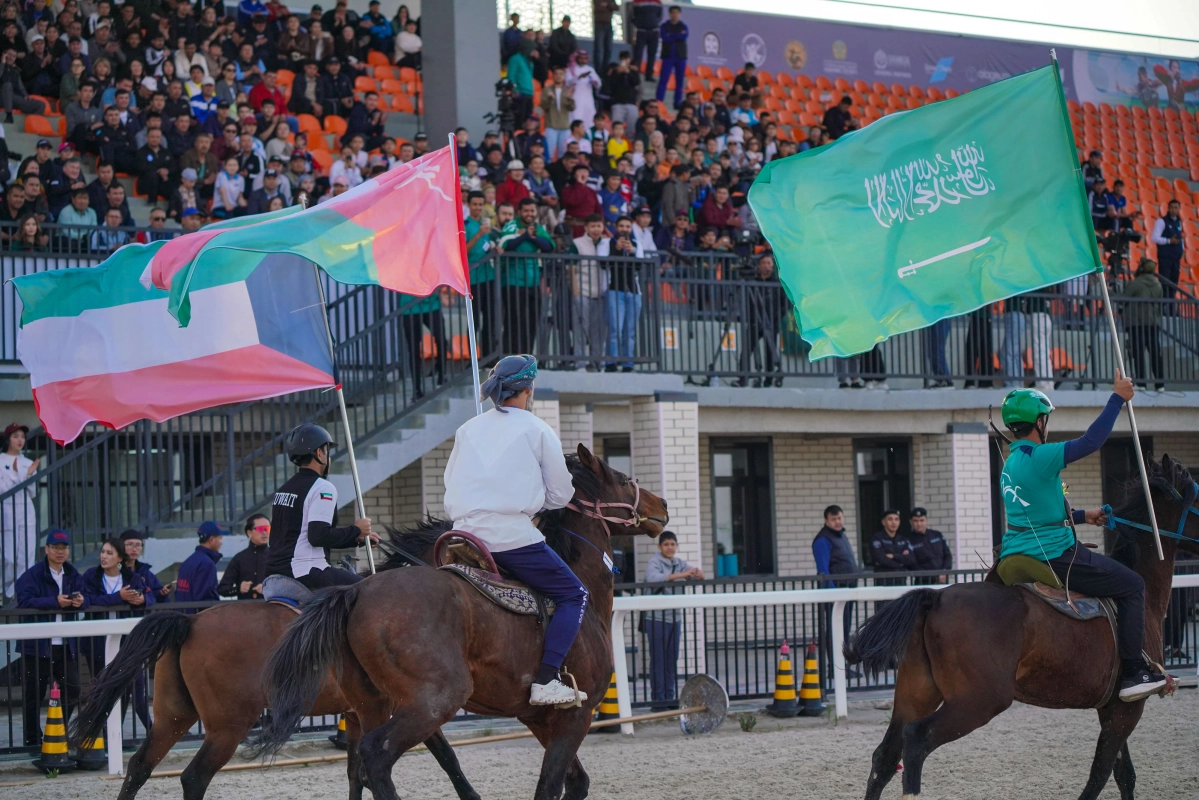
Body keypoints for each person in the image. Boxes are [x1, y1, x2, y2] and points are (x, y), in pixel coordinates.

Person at [997, 377, 1167, 701]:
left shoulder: (1011, 463)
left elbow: (1036, 517)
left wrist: (1080, 516)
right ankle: (1133, 672)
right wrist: (1117, 399)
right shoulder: (1040, 455)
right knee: (1133, 585)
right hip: (1055, 554)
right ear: (1039, 421)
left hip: (1015, 553)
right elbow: (1091, 442)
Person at [442, 355, 585, 706]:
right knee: (574, 595)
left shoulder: (467, 429)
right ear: (528, 388)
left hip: (461, 535)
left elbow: (449, 484)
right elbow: (561, 494)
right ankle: (547, 680)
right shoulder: (536, 428)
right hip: (509, 538)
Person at [265, 423, 377, 590]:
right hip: (306, 571)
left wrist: (355, 539)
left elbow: (302, 538)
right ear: (319, 452)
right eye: (327, 451)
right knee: (372, 588)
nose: (328, 457)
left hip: (274, 575)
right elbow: (317, 536)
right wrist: (356, 529)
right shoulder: (323, 487)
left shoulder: (284, 489)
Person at [16, 529, 87, 746]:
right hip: (36, 645)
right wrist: (55, 601)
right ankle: (32, 739)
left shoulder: (73, 574)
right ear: (46, 549)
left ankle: (57, 732)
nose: (60, 552)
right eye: (55, 547)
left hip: (65, 644)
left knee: (73, 687)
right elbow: (25, 601)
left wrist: (80, 602)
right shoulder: (33, 575)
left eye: (63, 548)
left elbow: (87, 598)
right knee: (34, 695)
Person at [643, 530, 702, 710]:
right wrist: (682, 575)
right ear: (660, 546)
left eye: (673, 544)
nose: (670, 548)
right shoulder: (654, 562)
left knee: (671, 659)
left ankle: (670, 697)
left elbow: (699, 575)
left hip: (674, 618)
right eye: (666, 544)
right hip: (656, 618)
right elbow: (653, 579)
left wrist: (697, 572)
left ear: (676, 546)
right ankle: (658, 700)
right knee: (658, 660)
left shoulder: (678, 563)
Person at [812, 505, 859, 681]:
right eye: (834, 519)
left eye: (839, 518)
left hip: (846, 591)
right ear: (826, 521)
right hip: (836, 594)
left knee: (844, 630)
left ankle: (843, 667)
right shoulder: (823, 540)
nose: (838, 522)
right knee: (835, 631)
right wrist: (831, 592)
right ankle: (835, 668)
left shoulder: (840, 536)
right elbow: (823, 570)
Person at [1, 422, 38, 599]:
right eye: (15, 436)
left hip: (26, 513)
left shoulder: (28, 462)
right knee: (8, 557)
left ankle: (21, 593)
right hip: (7, 513)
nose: (20, 440)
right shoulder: (0, 460)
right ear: (8, 439)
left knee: (26, 556)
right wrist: (20, 477)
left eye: (22, 436)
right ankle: (4, 591)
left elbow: (33, 492)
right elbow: (3, 489)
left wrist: (29, 475)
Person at [1120, 258, 1166, 391]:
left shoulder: (1136, 283)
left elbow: (1123, 298)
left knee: (1138, 353)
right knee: (1155, 353)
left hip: (1136, 324)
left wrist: (1109, 292)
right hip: (1153, 323)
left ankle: (1141, 383)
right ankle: (1160, 384)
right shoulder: (1158, 285)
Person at [218, 514, 270, 599]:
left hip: (270, 609)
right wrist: (238, 589)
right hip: (246, 610)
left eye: (267, 529)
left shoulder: (275, 556)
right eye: (260, 529)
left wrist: (269, 589)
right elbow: (222, 589)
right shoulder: (239, 558)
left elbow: (287, 586)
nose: (264, 532)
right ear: (249, 533)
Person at [175, 521, 225, 603]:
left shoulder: (187, 562)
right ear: (211, 540)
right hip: (198, 615)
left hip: (184, 614)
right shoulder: (207, 564)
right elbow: (207, 600)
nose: (221, 542)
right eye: (220, 538)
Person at [869, 509, 914, 597]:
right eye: (890, 519)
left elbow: (911, 559)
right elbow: (881, 559)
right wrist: (901, 562)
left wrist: (893, 556)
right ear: (884, 522)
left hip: (900, 582)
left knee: (900, 609)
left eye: (896, 519)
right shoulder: (877, 538)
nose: (894, 522)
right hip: (883, 582)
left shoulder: (903, 539)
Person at [119, 529, 173, 601]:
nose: (134, 549)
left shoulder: (144, 571)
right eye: (130, 544)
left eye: (138, 545)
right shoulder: (114, 569)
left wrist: (161, 593)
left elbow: (154, 593)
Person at [906, 508, 952, 584]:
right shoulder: (908, 540)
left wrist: (944, 572)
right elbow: (912, 564)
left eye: (921, 520)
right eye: (916, 521)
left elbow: (947, 555)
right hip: (923, 582)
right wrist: (934, 577)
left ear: (927, 520)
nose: (919, 524)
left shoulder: (937, 535)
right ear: (911, 522)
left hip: (942, 581)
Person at [1151, 199, 1184, 301]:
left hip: (1176, 258)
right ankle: (1164, 307)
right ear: (1168, 208)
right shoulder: (1162, 221)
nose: (1174, 210)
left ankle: (1171, 308)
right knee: (1165, 283)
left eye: (1176, 208)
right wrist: (1168, 241)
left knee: (1174, 283)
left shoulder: (1179, 222)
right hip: (1165, 257)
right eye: (1172, 208)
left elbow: (1180, 238)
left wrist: (1181, 249)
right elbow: (1154, 238)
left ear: (1179, 209)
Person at [655, 6, 687, 108]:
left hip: (680, 57)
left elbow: (684, 36)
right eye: (673, 12)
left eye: (677, 13)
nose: (675, 15)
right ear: (669, 14)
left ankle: (677, 102)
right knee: (663, 80)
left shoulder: (683, 26)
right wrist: (677, 35)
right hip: (668, 56)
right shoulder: (665, 26)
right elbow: (665, 38)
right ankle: (659, 101)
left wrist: (672, 34)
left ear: (680, 14)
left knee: (679, 81)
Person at [631, 0, 662, 79]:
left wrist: (654, 23)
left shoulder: (658, 2)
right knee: (638, 54)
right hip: (641, 31)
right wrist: (640, 24)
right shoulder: (637, 1)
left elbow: (660, 16)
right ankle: (635, 76)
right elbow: (632, 15)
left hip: (654, 32)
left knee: (652, 55)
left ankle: (649, 75)